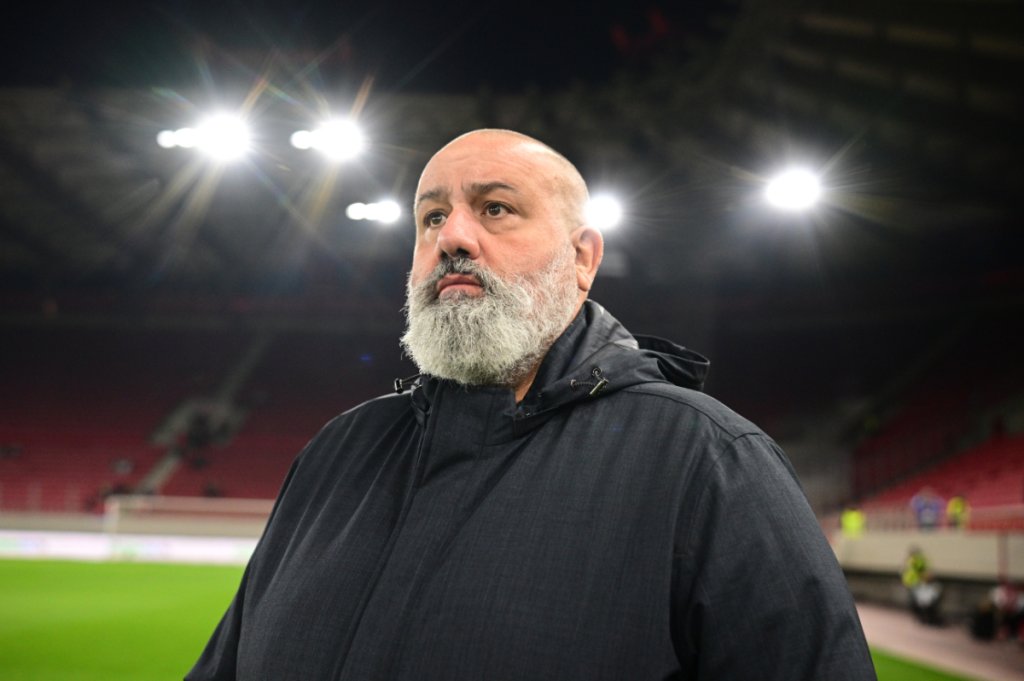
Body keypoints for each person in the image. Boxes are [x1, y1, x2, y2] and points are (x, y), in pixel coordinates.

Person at [186, 129, 876, 680]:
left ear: (583, 259)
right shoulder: (336, 453)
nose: (452, 237)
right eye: (431, 217)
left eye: (495, 208)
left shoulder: (710, 462)